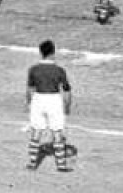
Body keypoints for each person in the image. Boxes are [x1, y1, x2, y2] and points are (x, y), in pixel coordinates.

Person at [25, 39, 73, 173]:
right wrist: (67, 106)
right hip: (54, 100)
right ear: (53, 52)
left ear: (41, 53)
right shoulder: (59, 70)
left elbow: (29, 90)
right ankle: (61, 165)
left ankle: (32, 163)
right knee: (57, 131)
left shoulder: (33, 70)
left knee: (36, 131)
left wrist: (29, 103)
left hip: (38, 99)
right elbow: (67, 90)